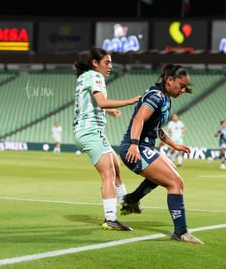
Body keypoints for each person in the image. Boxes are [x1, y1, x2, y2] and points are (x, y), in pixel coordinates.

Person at [119, 64, 204, 244]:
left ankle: (132, 199)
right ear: (169, 80)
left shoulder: (165, 98)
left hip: (145, 147)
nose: (183, 90)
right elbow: (138, 119)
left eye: (185, 87)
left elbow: (156, 129)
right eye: (181, 85)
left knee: (168, 173)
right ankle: (181, 232)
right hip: (136, 148)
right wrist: (134, 144)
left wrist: (175, 144)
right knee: (175, 182)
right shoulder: (155, 96)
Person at [73, 47, 140, 231]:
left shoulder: (84, 77)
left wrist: (108, 111)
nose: (110, 66)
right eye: (107, 62)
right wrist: (130, 101)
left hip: (91, 131)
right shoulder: (95, 77)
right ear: (95, 63)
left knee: (116, 166)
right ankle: (110, 218)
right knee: (108, 174)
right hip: (90, 131)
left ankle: (126, 203)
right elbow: (101, 102)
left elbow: (90, 102)